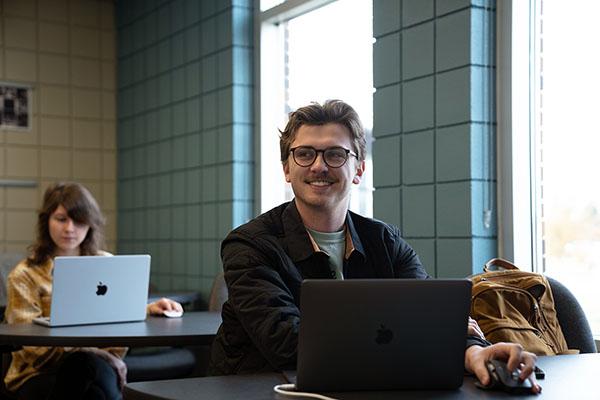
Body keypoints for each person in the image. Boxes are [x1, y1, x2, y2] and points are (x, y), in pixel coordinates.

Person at [209, 100, 541, 393]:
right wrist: (417, 337)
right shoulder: (249, 245)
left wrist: (472, 351)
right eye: (304, 153)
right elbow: (287, 343)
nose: (319, 166)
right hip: (266, 389)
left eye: (336, 154)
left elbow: (429, 317)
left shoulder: (385, 241)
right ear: (286, 168)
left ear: (358, 170)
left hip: (371, 387)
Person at [4, 182, 183, 400]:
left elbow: (113, 319)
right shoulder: (24, 274)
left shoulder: (106, 264)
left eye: (78, 221)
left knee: (92, 380)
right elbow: (33, 348)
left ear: (90, 224)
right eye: (61, 219)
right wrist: (96, 353)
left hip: (96, 370)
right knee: (89, 371)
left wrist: (146, 309)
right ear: (46, 221)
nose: (69, 228)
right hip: (36, 375)